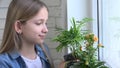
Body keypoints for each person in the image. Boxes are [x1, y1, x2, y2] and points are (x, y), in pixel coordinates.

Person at [0, 0, 55, 68]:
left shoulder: (44, 50)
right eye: (39, 23)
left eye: (45, 23)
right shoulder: (3, 63)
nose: (46, 30)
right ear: (19, 27)